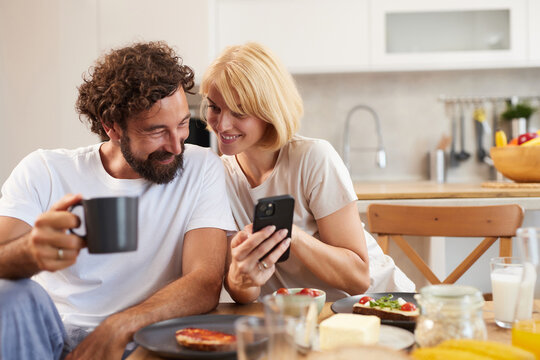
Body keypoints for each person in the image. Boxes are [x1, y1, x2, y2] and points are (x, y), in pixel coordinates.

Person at [0, 41, 236, 359]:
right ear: (112, 126)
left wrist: (118, 326)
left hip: (143, 335)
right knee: (12, 293)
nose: (177, 145)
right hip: (51, 336)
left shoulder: (201, 167)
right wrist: (30, 252)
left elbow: (205, 281)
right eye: (156, 131)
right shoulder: (45, 170)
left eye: (182, 124)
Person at [199, 42, 415, 304]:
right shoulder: (217, 176)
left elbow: (359, 278)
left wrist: (289, 233)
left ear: (268, 111)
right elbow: (244, 295)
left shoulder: (312, 158)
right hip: (300, 316)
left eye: (239, 111)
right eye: (215, 107)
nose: (222, 124)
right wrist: (239, 277)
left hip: (380, 302)